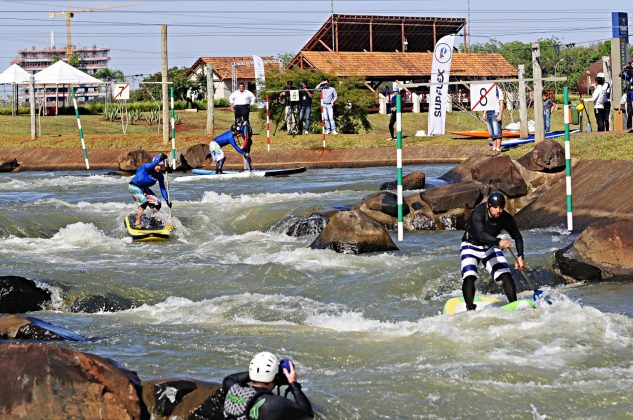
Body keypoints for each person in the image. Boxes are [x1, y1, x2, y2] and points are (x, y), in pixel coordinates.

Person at [460, 191, 525, 311]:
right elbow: (480, 234)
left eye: (501, 207)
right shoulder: (478, 213)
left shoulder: (505, 218)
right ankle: (470, 308)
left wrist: (520, 256)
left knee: (505, 274)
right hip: (470, 245)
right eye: (495, 207)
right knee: (470, 276)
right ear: (488, 206)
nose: (498, 210)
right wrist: (499, 241)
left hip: (490, 246)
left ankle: (514, 306)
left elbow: (517, 236)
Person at [222, 351, 314, 420]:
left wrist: (258, 372)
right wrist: (293, 384)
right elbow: (308, 414)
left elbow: (231, 378)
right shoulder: (273, 404)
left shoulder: (232, 389)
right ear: (276, 377)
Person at [128, 154, 171, 228]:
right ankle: (137, 223)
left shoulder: (160, 176)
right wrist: (160, 159)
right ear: (154, 164)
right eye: (158, 165)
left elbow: (162, 188)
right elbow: (150, 165)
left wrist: (167, 200)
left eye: (161, 166)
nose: (159, 168)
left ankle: (152, 221)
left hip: (144, 188)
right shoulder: (147, 167)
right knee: (144, 202)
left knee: (157, 204)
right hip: (134, 186)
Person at [485, 83, 505, 152]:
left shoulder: (498, 91)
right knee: (491, 132)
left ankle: (498, 147)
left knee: (497, 131)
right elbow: (486, 102)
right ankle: (494, 146)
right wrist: (484, 113)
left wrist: (500, 114)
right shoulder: (487, 91)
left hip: (496, 112)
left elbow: (501, 103)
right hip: (488, 112)